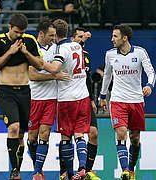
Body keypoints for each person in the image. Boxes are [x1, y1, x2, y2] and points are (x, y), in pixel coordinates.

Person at [0, 13, 44, 180]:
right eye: (17, 32)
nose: (20, 36)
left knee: (22, 134)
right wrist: (10, 52)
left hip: (25, 91)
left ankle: (19, 170)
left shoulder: (30, 40)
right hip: (7, 91)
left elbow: (40, 65)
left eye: (22, 32)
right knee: (13, 128)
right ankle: (14, 169)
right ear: (9, 28)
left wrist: (26, 53)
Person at [100, 24, 155, 180]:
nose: (112, 39)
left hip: (136, 101)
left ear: (125, 38)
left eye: (115, 36)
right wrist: (103, 96)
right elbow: (107, 76)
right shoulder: (110, 55)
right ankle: (125, 171)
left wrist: (149, 85)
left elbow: (150, 72)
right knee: (121, 132)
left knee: (135, 138)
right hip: (117, 100)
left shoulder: (140, 52)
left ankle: (131, 170)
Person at [43, 19, 90, 180]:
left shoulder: (61, 49)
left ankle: (70, 174)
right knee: (79, 135)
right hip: (83, 96)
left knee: (65, 137)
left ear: (55, 34)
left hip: (67, 99)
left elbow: (55, 68)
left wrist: (39, 62)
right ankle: (82, 168)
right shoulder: (77, 45)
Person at [27, 17, 69, 180]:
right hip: (33, 98)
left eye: (54, 35)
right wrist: (55, 76)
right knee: (32, 137)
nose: (53, 38)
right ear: (41, 34)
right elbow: (32, 75)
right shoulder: (32, 49)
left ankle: (37, 172)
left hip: (51, 98)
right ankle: (37, 167)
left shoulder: (56, 49)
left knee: (44, 134)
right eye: (50, 35)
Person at [59, 27, 100, 180]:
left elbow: (87, 78)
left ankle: (86, 170)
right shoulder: (63, 52)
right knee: (67, 135)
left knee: (93, 133)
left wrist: (91, 100)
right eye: (80, 36)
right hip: (67, 99)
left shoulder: (85, 55)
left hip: (84, 99)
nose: (82, 39)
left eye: (84, 36)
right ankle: (64, 172)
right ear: (72, 38)